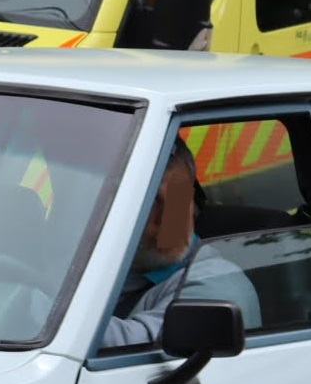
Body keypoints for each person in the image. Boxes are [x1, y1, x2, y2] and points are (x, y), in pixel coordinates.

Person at [105, 137, 262, 349]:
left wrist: (47, 315)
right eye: (152, 203)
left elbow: (133, 350)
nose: (170, 220)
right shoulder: (109, 267)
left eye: (178, 198)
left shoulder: (218, 283)